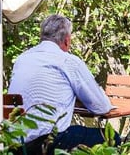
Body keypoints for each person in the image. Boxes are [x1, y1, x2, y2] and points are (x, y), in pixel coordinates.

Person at [8, 14, 114, 153]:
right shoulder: (67, 61)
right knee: (111, 138)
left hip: (16, 144)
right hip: (47, 144)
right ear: (67, 41)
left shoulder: (22, 59)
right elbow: (102, 107)